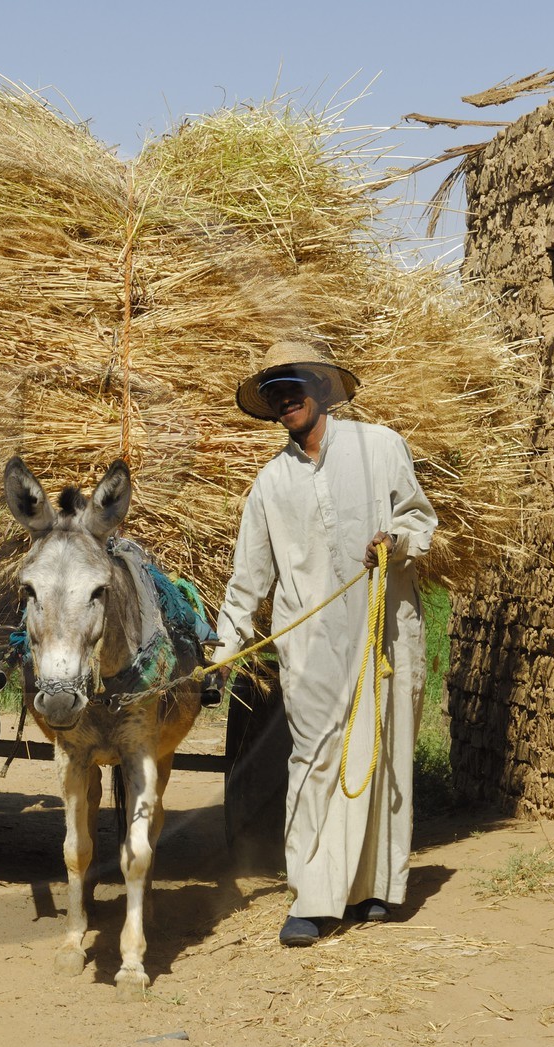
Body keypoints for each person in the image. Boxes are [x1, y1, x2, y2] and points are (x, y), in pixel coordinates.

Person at [211, 339, 438, 947]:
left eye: (294, 386)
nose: (286, 400)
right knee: (314, 760)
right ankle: (312, 898)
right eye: (275, 394)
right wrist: (224, 652)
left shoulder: (380, 447)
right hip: (310, 647)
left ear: (319, 388)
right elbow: (248, 580)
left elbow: (420, 520)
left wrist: (395, 541)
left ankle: (373, 888)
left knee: (381, 754)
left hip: (385, 630)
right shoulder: (269, 484)